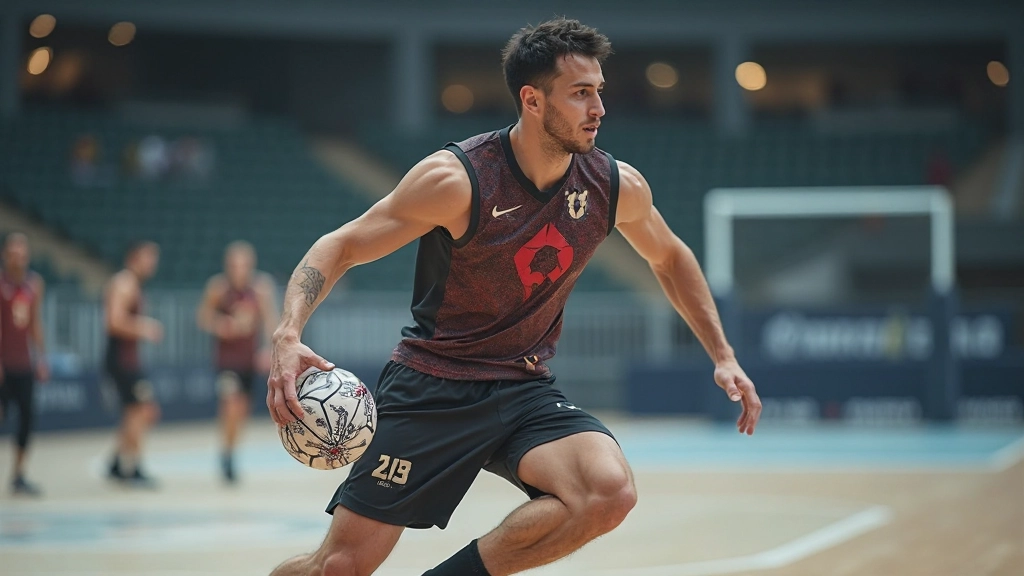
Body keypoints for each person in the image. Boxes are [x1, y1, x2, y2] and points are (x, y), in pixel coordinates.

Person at [266, 18, 762, 576]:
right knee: (337, 568)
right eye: (580, 93)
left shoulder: (612, 184)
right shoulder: (457, 180)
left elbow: (669, 257)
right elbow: (342, 245)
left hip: (522, 386)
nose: (598, 107)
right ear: (532, 99)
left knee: (609, 492)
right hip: (435, 384)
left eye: (599, 90)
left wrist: (723, 354)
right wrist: (288, 334)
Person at [196, 241, 278, 483]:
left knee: (241, 409)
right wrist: (222, 325)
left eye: (243, 264)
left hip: (248, 360)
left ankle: (231, 450)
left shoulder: (260, 288)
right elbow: (204, 317)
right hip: (227, 360)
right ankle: (227, 455)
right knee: (230, 403)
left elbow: (270, 320)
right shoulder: (218, 287)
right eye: (234, 264)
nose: (239, 269)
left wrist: (267, 350)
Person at [104, 240, 163, 486]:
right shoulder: (124, 283)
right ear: (133, 258)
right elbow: (114, 321)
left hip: (126, 359)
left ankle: (117, 462)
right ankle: (134, 467)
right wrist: (144, 327)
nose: (152, 263)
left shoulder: (132, 284)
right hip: (122, 360)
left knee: (134, 412)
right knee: (143, 410)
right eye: (147, 257)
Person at [0, 233, 48, 496]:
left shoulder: (34, 284)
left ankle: (18, 475)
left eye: (23, 253)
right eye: (14, 252)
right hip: (3, 363)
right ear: (5, 255)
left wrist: (41, 358)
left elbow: (35, 323)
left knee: (27, 419)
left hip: (24, 363)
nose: (19, 258)